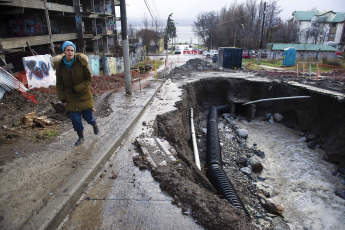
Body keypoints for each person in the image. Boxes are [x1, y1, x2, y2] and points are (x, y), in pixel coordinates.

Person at [53, 41, 99, 146]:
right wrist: (63, 99)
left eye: (72, 50)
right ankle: (81, 137)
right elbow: (59, 85)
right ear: (64, 51)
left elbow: (89, 79)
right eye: (68, 50)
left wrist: (77, 88)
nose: (70, 52)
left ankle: (94, 124)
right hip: (70, 97)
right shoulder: (60, 67)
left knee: (88, 117)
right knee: (75, 120)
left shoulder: (81, 62)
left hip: (84, 95)